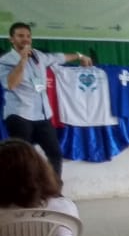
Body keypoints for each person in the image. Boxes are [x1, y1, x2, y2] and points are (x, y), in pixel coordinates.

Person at [0, 22, 93, 179]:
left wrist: (80, 56)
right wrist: (22, 60)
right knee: (22, 159)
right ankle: (25, 194)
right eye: (20, 36)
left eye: (28, 36)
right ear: (11, 39)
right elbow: (11, 83)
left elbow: (60, 57)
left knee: (55, 153)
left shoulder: (38, 56)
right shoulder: (5, 61)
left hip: (43, 115)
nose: (25, 40)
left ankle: (54, 191)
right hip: (20, 115)